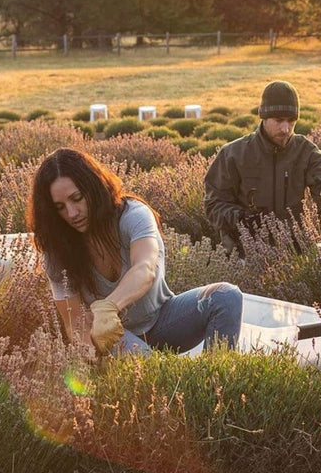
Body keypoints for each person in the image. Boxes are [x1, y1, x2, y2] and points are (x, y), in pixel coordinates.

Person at [30, 147, 242, 355]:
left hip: (163, 321)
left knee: (226, 296)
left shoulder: (132, 214)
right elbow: (74, 321)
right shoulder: (56, 248)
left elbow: (145, 268)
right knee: (155, 372)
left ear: (93, 188)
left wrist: (109, 307)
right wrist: (90, 354)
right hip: (112, 335)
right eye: (60, 207)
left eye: (77, 199)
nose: (72, 213)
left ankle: (215, 384)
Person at [203, 80, 321, 254]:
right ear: (263, 117)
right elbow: (214, 204)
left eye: (291, 121)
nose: (285, 129)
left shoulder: (308, 153)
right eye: (278, 120)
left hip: (295, 255)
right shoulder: (232, 154)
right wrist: (242, 219)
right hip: (243, 255)